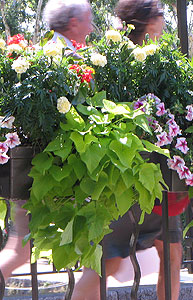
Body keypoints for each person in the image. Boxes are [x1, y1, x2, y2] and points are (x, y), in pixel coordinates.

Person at [72, 2, 183, 300]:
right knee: (106, 263)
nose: (163, 20)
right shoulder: (121, 62)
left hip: (157, 177)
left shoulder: (158, 59)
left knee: (172, 256)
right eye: (159, 14)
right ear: (145, 22)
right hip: (129, 178)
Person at [0, 0, 94, 284]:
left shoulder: (55, 50)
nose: (91, 28)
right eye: (88, 21)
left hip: (36, 167)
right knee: (20, 247)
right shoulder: (61, 56)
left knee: (19, 247)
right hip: (47, 168)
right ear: (73, 23)